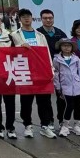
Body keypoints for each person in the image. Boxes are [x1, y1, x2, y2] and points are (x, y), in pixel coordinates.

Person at [9, 9, 56, 139]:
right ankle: (27, 125)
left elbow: (46, 53)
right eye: (23, 17)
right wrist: (20, 47)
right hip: (25, 71)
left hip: (41, 71)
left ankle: (45, 126)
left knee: (44, 101)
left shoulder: (40, 35)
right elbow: (10, 52)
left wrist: (50, 69)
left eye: (28, 16)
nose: (26, 19)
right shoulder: (14, 35)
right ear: (20, 19)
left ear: (32, 18)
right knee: (26, 101)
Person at [36, 9, 68, 128]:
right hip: (43, 69)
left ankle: (62, 120)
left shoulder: (60, 33)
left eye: (50, 18)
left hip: (60, 69)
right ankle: (48, 120)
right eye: (45, 18)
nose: (48, 20)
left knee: (61, 95)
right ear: (41, 19)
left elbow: (67, 50)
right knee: (45, 97)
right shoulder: (37, 33)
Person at [53, 39, 80, 137]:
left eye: (68, 46)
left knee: (77, 106)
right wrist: (58, 87)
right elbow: (56, 74)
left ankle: (77, 125)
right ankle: (65, 125)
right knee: (68, 106)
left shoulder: (76, 59)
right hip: (65, 87)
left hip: (77, 87)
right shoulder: (57, 59)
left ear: (72, 47)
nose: (66, 47)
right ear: (60, 47)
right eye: (64, 45)